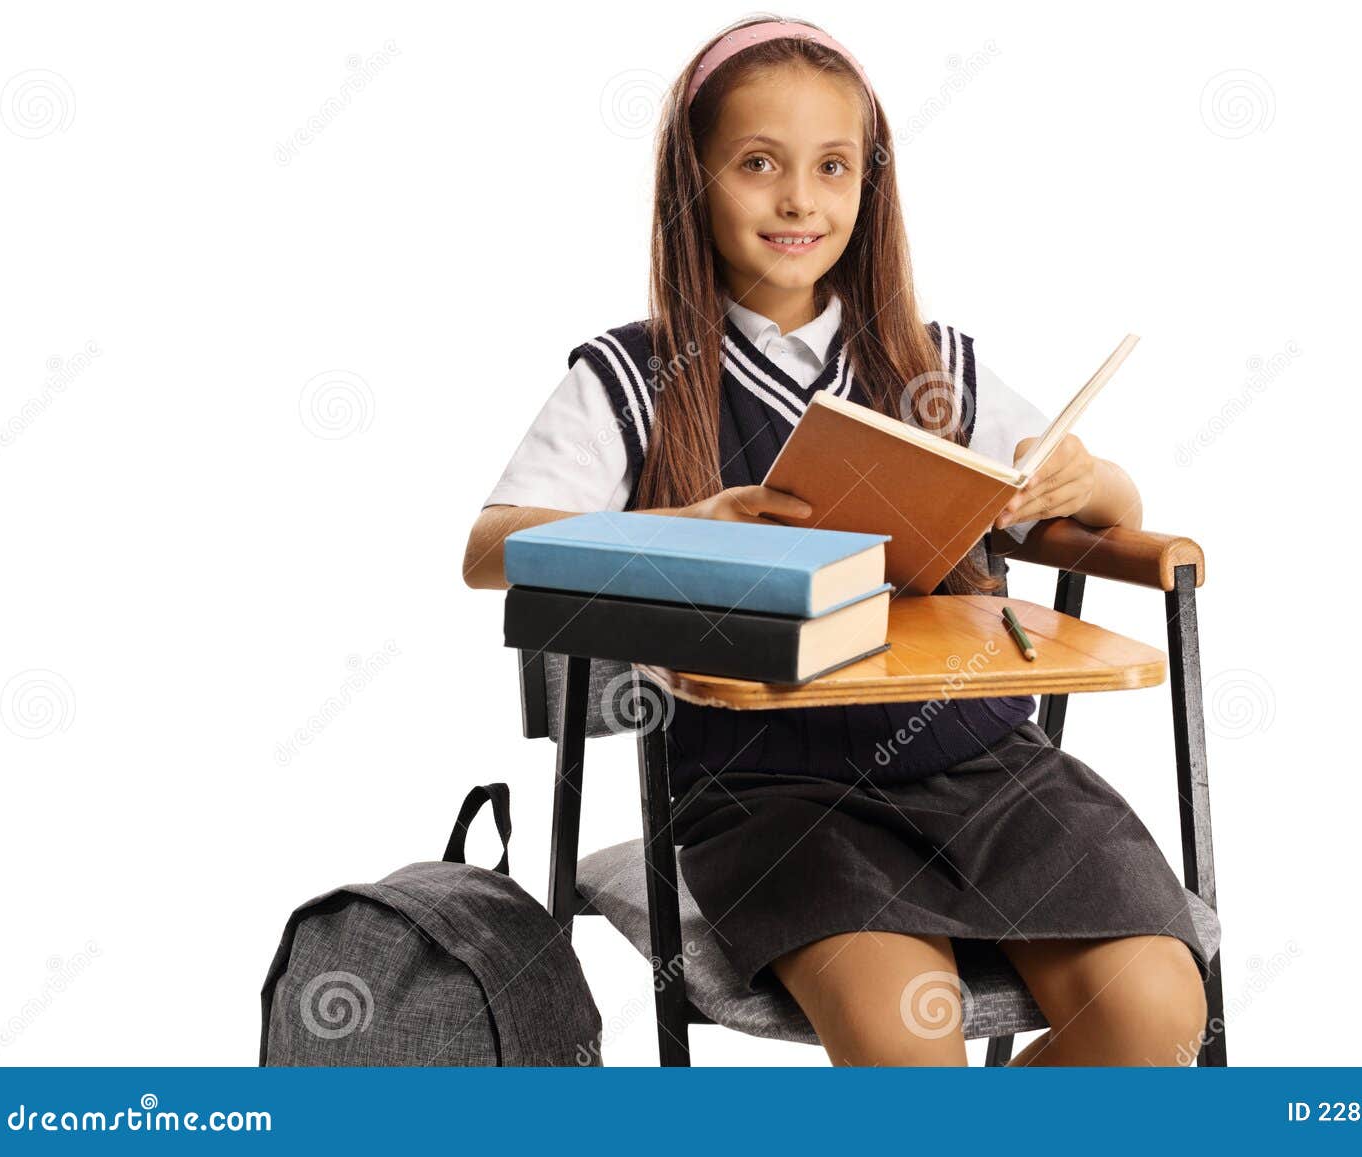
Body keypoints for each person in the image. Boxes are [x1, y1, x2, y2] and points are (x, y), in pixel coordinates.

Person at [463, 15, 1208, 1067]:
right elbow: (491, 548)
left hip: (983, 763)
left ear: (871, 185)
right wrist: (685, 526)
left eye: (832, 167)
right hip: (770, 789)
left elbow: (1083, 506)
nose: (799, 199)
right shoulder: (631, 378)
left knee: (1155, 1008)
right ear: (693, 180)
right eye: (758, 164)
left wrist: (1093, 478)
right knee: (909, 1035)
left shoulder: (931, 363)